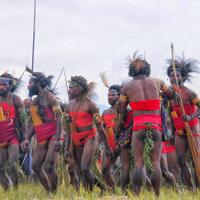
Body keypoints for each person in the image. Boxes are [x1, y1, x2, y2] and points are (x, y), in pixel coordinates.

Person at [119, 52, 174, 196]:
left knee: (138, 162)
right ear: (147, 69)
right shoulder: (158, 82)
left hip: (138, 127)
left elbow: (122, 110)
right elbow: (172, 95)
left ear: (131, 71)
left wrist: (120, 124)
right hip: (156, 125)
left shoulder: (126, 87)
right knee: (156, 162)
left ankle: (136, 194)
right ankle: (157, 195)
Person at [65, 75, 112, 191]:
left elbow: (100, 127)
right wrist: (67, 148)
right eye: (69, 87)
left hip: (89, 138)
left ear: (80, 88)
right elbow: (68, 129)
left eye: (72, 87)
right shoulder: (69, 105)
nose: (69, 90)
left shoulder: (90, 105)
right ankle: (103, 188)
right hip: (75, 138)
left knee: (85, 168)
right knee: (82, 171)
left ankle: (89, 195)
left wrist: (107, 146)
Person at [22, 72, 62, 193]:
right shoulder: (34, 103)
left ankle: (54, 194)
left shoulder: (50, 98)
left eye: (30, 83)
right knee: (35, 166)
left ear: (38, 84)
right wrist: (27, 138)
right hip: (42, 137)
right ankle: (49, 192)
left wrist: (58, 138)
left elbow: (59, 117)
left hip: (54, 134)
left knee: (49, 166)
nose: (28, 86)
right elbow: (35, 124)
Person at [166, 55, 200, 189]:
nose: (174, 78)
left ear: (183, 77)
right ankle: (190, 188)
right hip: (179, 132)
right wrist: (172, 133)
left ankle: (198, 187)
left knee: (196, 158)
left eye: (177, 75)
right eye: (171, 76)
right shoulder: (169, 95)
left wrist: (191, 117)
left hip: (192, 129)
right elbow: (169, 114)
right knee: (180, 160)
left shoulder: (189, 93)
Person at [0, 73, 25, 190]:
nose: (1, 87)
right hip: (1, 138)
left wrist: (25, 138)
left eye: (4, 85)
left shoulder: (16, 99)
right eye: (0, 84)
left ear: (10, 85)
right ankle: (7, 189)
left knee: (12, 164)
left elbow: (24, 119)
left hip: (13, 137)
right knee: (0, 168)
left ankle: (16, 189)